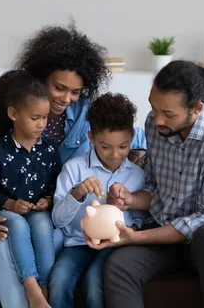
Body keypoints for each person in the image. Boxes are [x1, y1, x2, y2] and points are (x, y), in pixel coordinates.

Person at [0, 21, 146, 308]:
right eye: (59, 88)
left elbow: (128, 134)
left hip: (52, 221)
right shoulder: (7, 119)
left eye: (76, 92)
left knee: (15, 243)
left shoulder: (88, 116)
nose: (67, 99)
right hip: (9, 212)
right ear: (41, 78)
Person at [88, 60, 204, 308]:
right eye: (154, 108)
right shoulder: (155, 125)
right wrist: (131, 199)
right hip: (171, 235)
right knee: (120, 264)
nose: (157, 120)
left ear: (197, 109)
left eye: (168, 114)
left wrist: (137, 237)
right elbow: (157, 188)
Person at [49, 93, 146, 308]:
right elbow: (58, 220)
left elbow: (141, 219)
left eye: (123, 146)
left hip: (115, 246)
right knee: (59, 280)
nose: (114, 154)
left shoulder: (137, 176)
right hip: (77, 244)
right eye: (105, 146)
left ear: (131, 137)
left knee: (95, 283)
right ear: (91, 138)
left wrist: (127, 228)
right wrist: (77, 194)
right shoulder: (74, 168)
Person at [0, 71, 61, 308]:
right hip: (10, 211)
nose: (41, 124)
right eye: (35, 117)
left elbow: (57, 184)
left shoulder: (50, 149)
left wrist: (48, 199)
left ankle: (43, 286)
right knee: (17, 225)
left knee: (44, 228)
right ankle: (31, 287)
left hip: (39, 211)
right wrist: (10, 205)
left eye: (45, 118)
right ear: (13, 114)